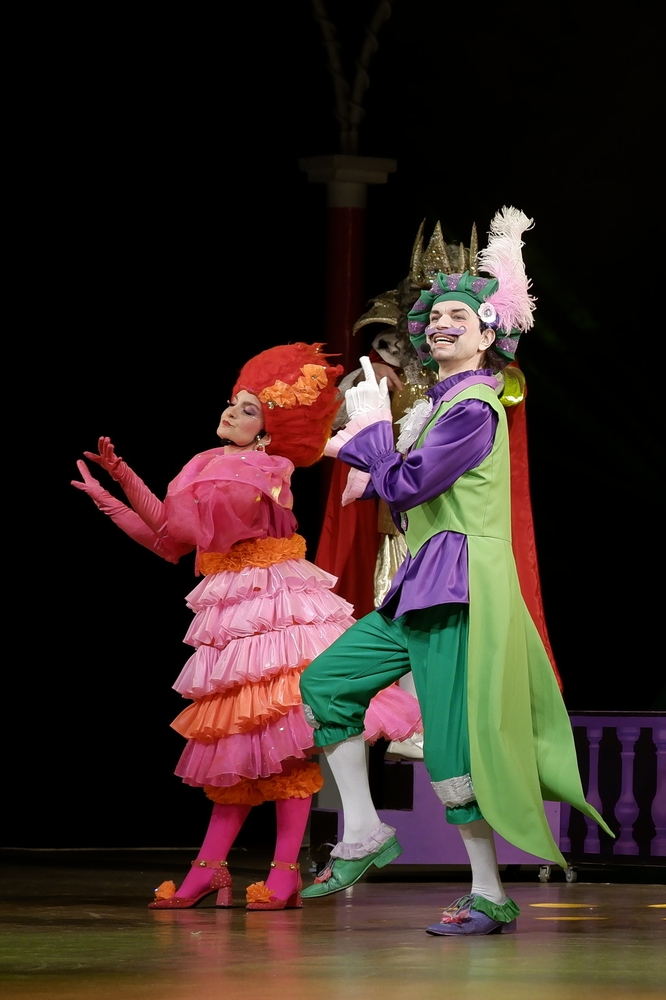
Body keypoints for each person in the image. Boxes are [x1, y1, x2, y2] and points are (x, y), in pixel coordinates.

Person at [299, 209, 612, 935]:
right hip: (420, 585)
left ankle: (489, 892)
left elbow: (406, 485)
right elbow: (392, 482)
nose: (440, 324)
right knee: (326, 684)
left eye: (457, 317)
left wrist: (374, 436)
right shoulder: (437, 406)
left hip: (460, 586)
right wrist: (353, 439)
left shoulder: (474, 408)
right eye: (434, 316)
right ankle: (363, 831)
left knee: (448, 748)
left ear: (486, 334)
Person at [72, 343, 421, 912]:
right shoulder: (208, 460)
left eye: (250, 409)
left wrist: (139, 488)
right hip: (231, 608)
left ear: (270, 427)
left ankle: (283, 871)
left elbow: (201, 527)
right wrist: (115, 487)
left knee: (287, 739)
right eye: (234, 402)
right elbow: (170, 538)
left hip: (275, 606)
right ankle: (211, 867)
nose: (233, 412)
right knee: (236, 743)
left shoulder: (267, 468)